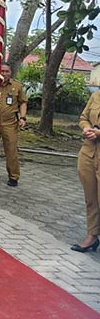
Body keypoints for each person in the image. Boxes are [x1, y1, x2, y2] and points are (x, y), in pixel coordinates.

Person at [70, 91, 100, 253]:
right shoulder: (96, 95)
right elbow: (84, 117)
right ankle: (92, 235)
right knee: (91, 198)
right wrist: (87, 128)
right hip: (88, 152)